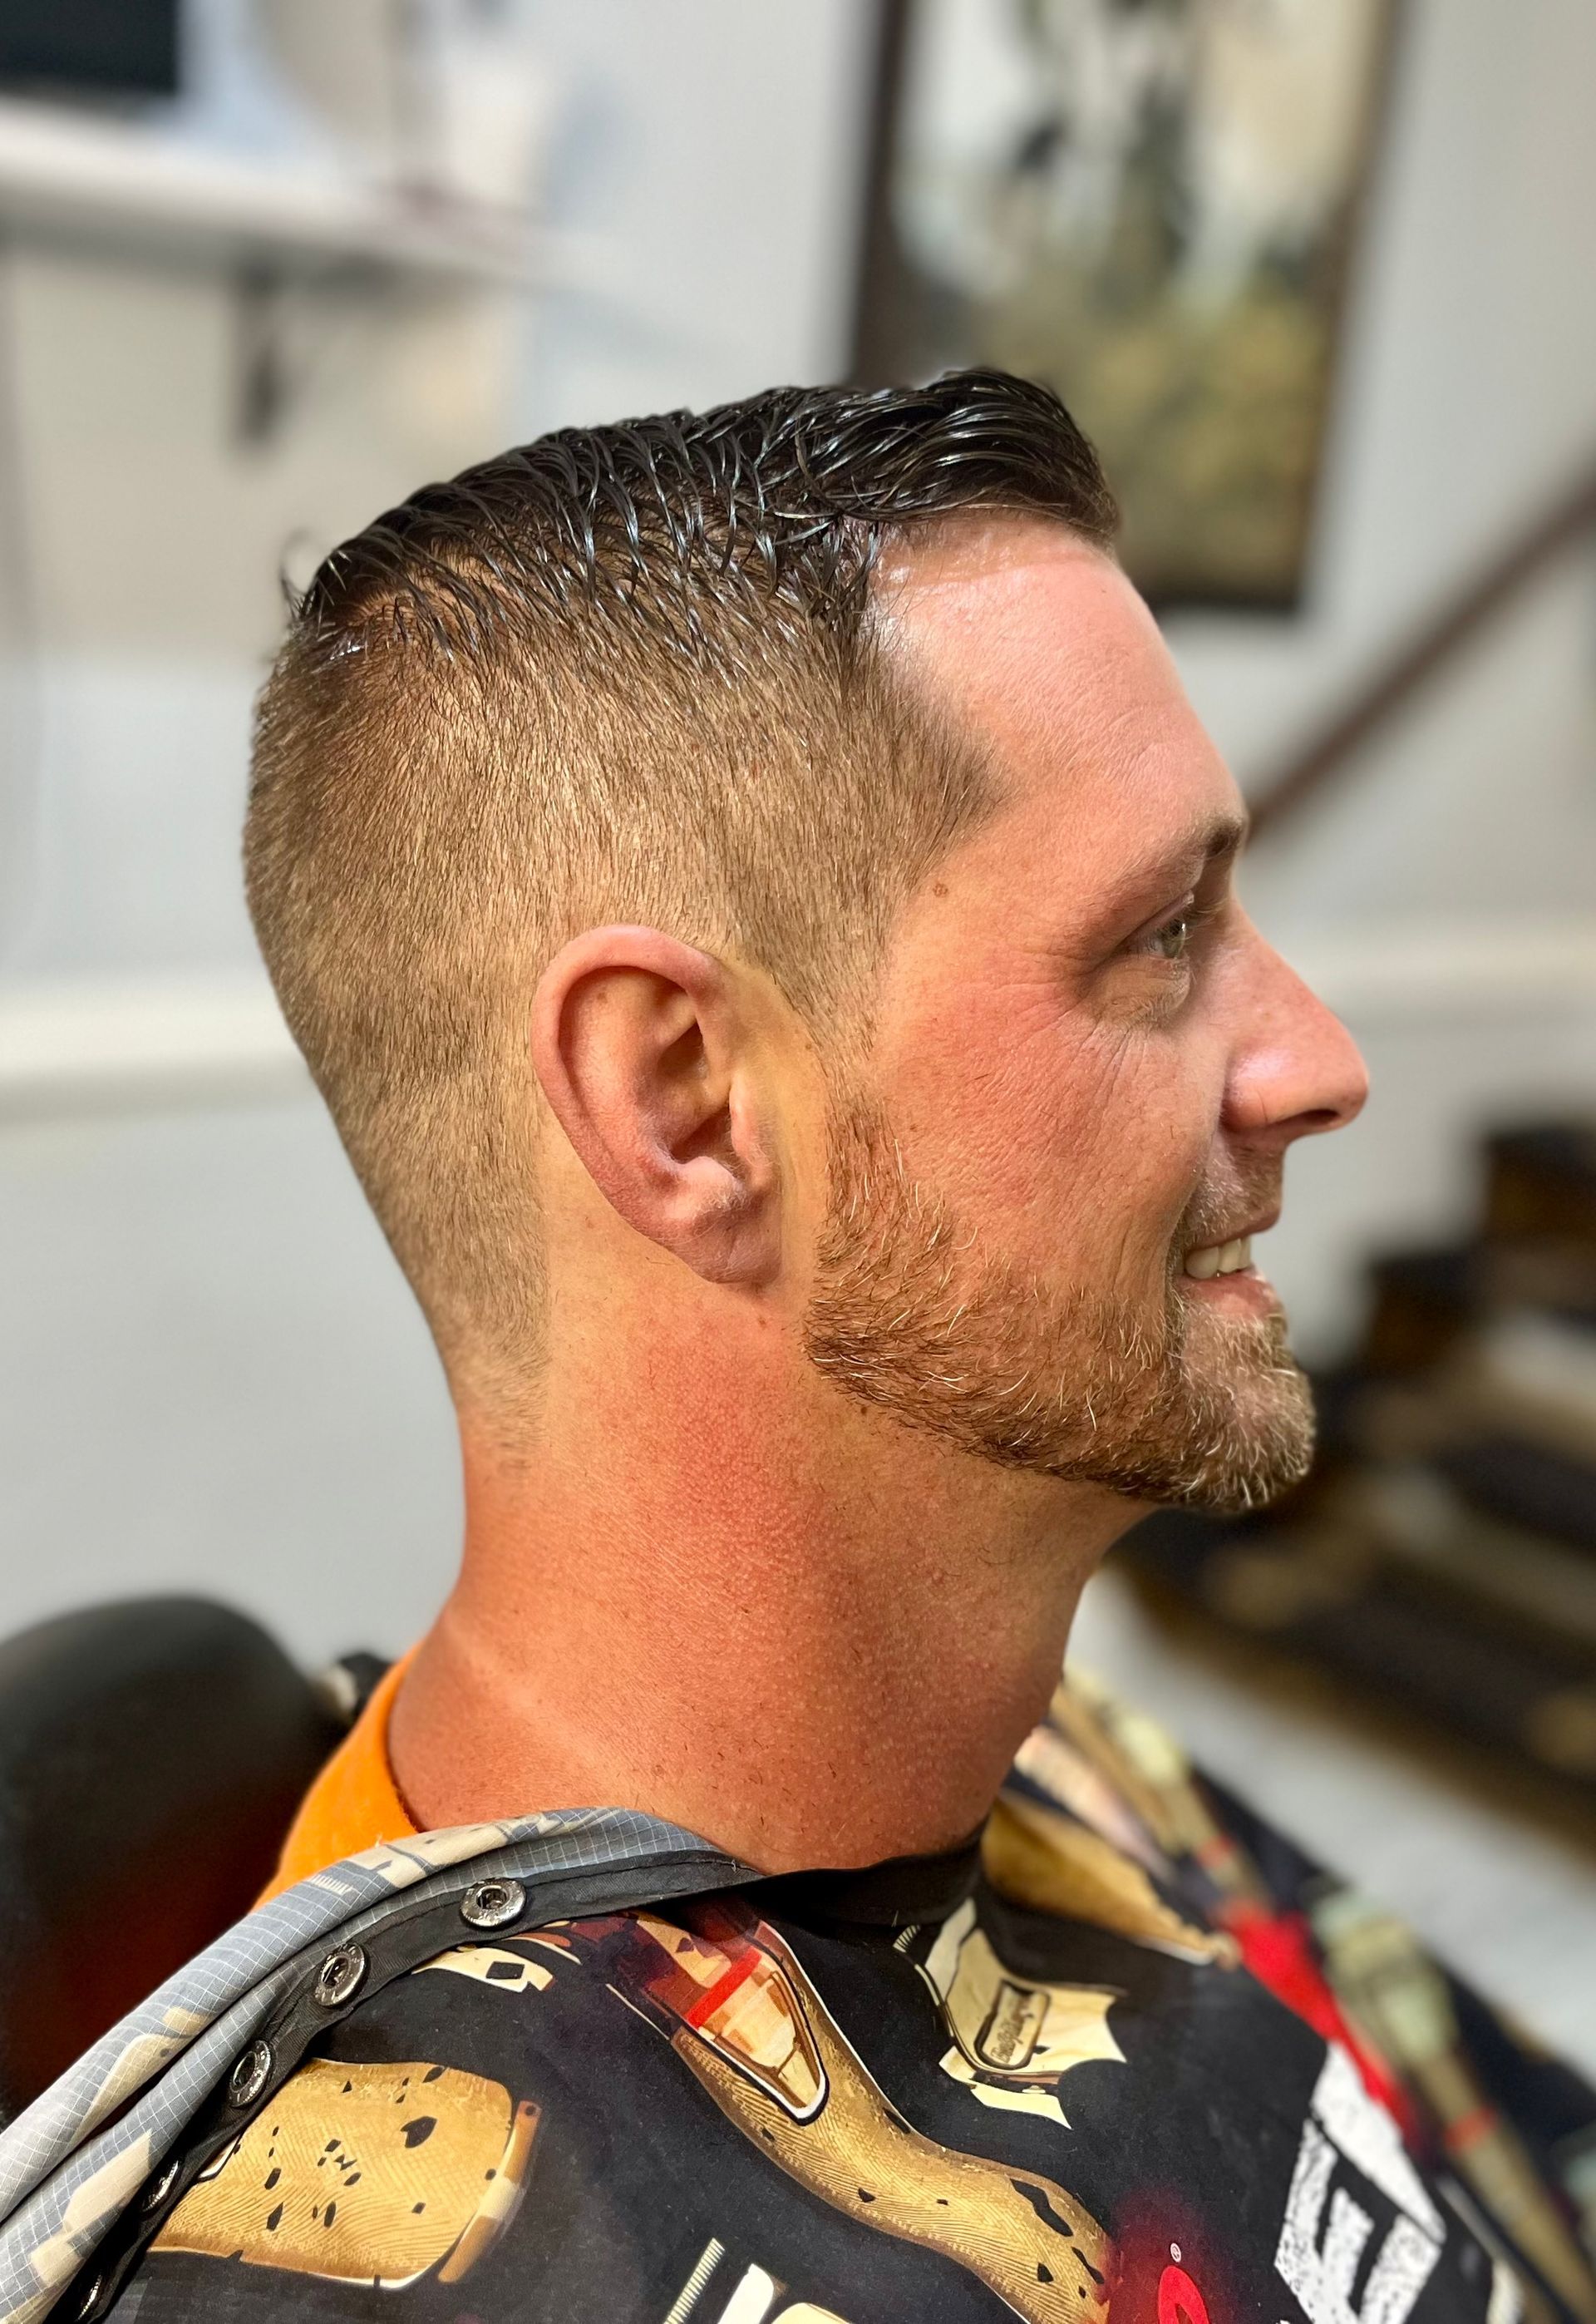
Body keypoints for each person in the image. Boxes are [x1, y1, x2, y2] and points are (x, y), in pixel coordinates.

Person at [7, 373, 1594, 2324]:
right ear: (685, 1104)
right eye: (1161, 936)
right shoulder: (438, 2253)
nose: (1321, 1064)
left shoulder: (1058, 1755)